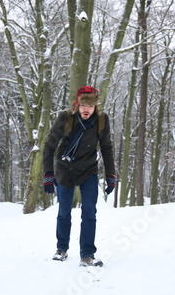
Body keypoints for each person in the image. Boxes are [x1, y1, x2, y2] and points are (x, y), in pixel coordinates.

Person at [43, 86, 116, 267]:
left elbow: (106, 148)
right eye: (83, 105)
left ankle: (87, 255)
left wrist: (111, 174)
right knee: (64, 212)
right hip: (65, 169)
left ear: (95, 107)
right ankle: (62, 249)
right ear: (78, 104)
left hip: (88, 170)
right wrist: (48, 174)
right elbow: (49, 146)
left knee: (90, 212)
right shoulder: (66, 118)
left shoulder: (101, 120)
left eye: (90, 106)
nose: (86, 109)